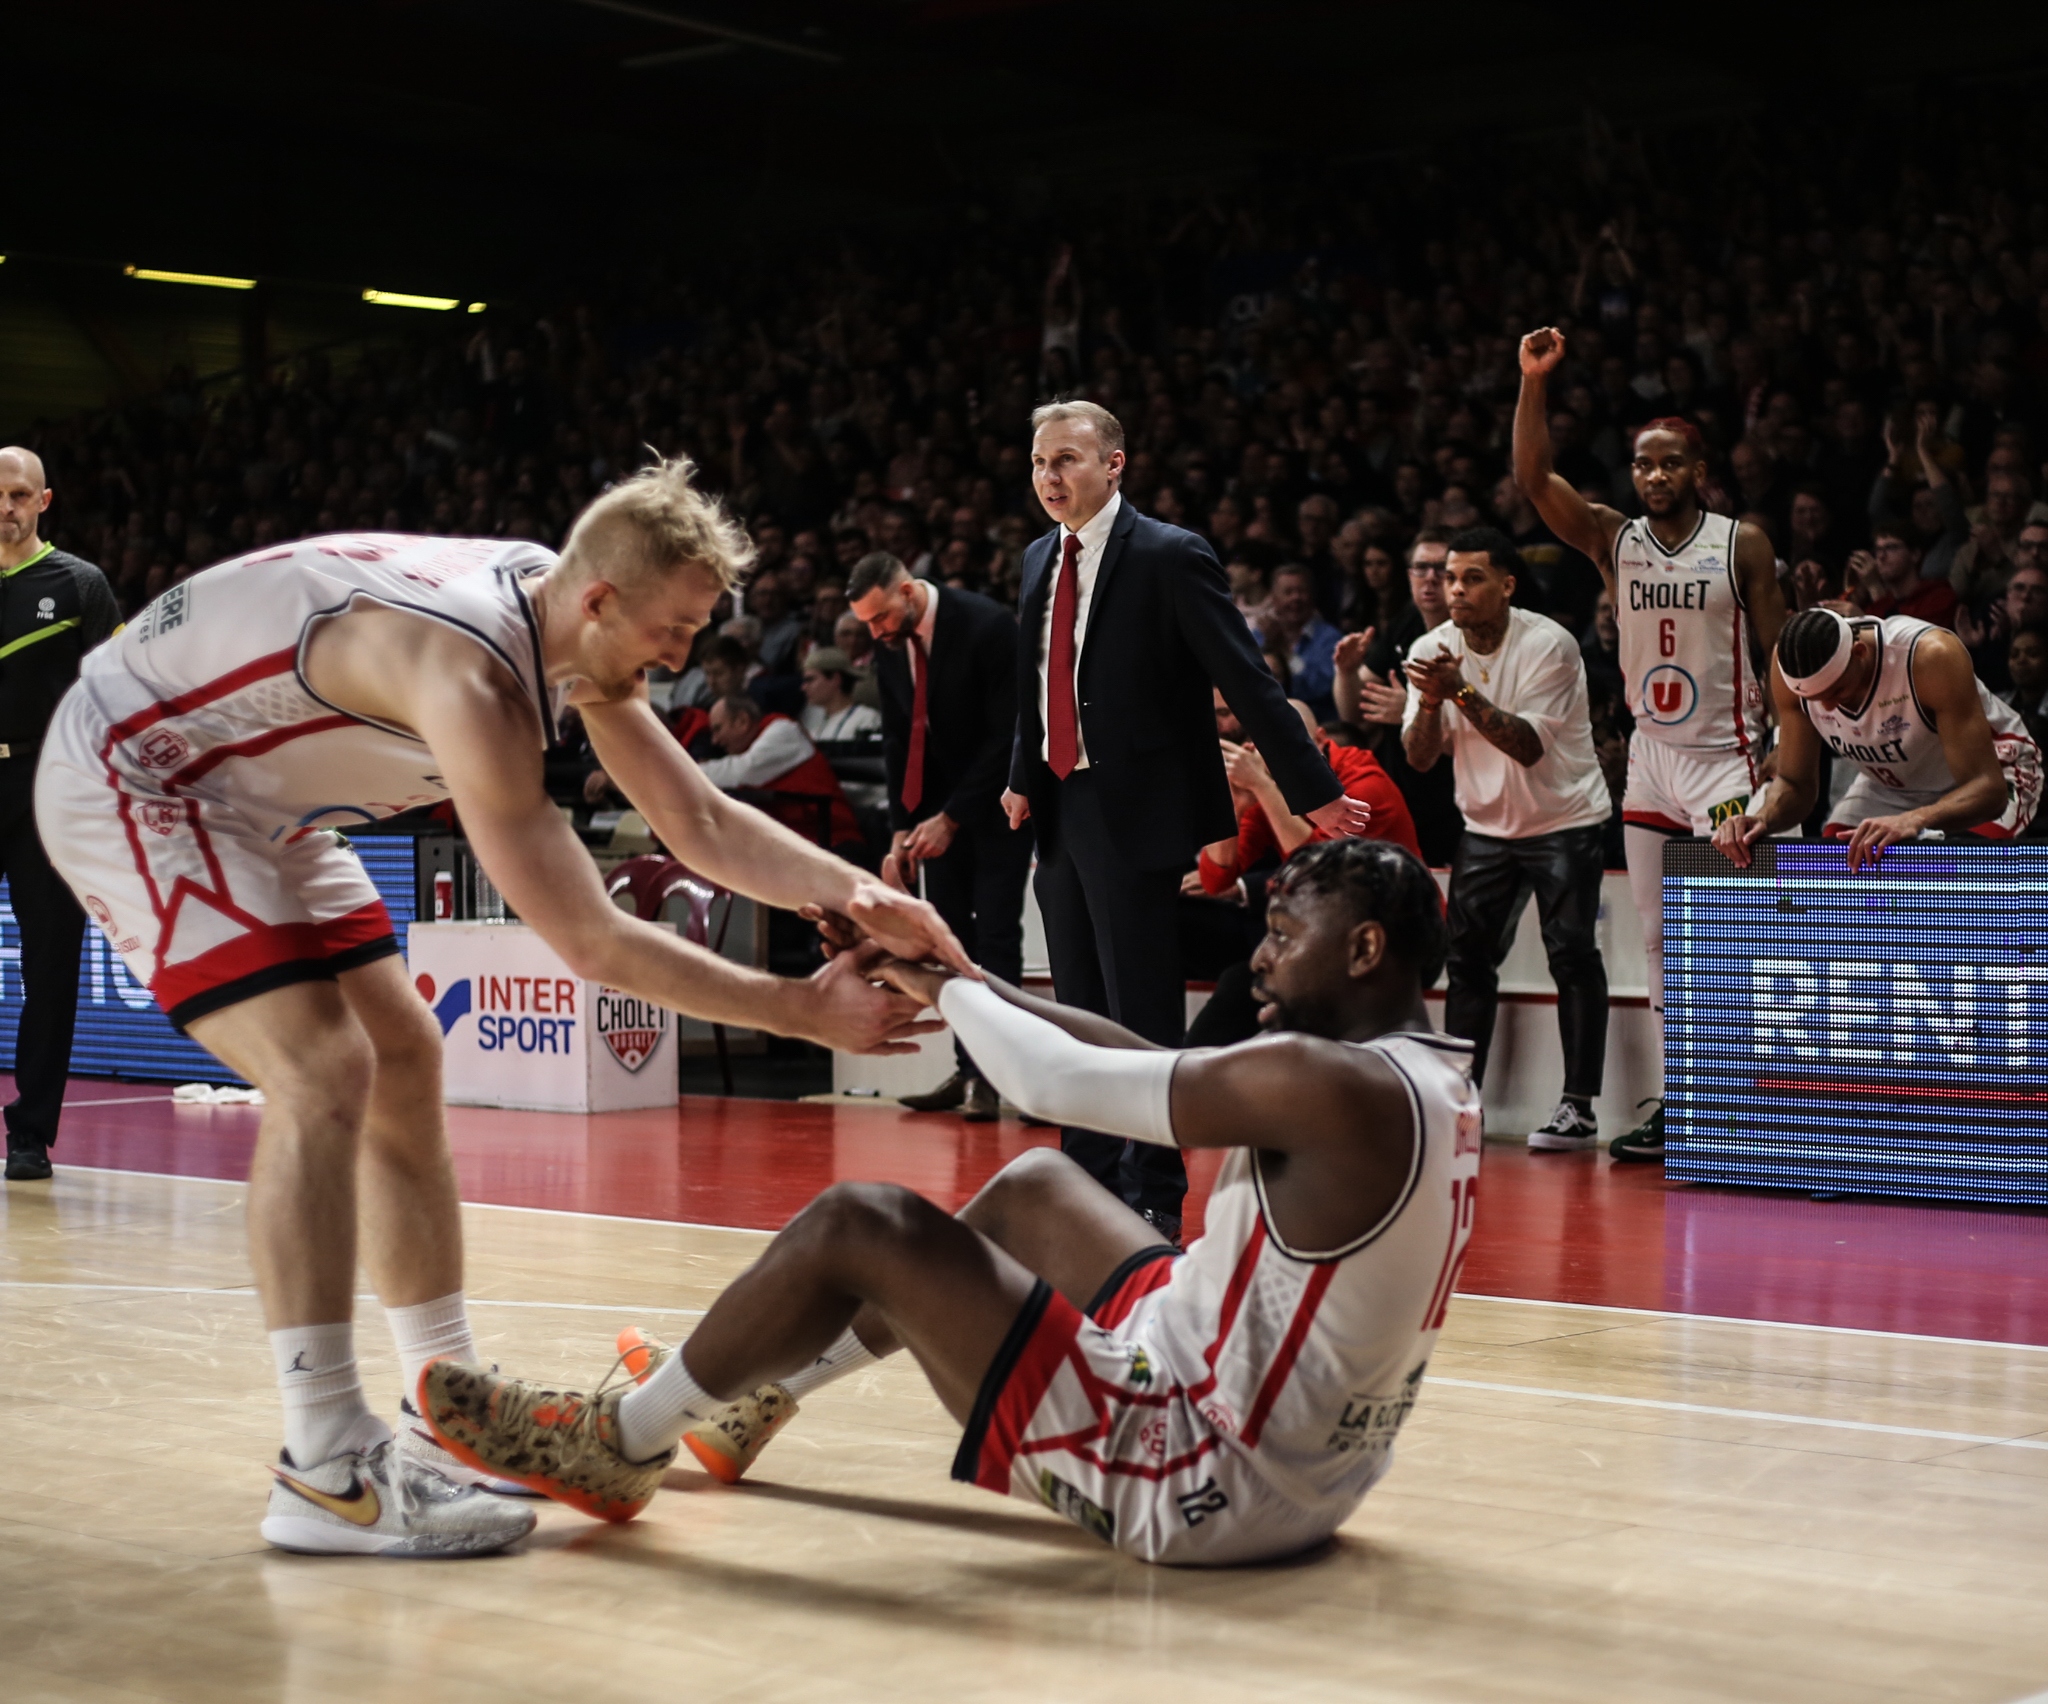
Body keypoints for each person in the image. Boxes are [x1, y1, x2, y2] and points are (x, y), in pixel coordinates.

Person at [34, 457, 970, 1558]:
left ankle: (443, 1409)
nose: (683, 655)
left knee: (406, 1057)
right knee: (324, 1071)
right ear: (599, 600)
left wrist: (858, 893)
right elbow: (589, 940)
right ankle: (324, 1466)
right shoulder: (471, 678)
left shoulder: (560, 616)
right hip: (142, 773)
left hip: (258, 798)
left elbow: (698, 821)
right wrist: (801, 1013)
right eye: (673, 628)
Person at [419, 838, 1485, 1568]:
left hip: (1203, 1476)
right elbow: (1148, 1068)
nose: (1259, 952)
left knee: (861, 1224)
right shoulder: (1417, 1075)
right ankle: (757, 1400)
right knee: (1034, 1190)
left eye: (1285, 932)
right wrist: (968, 975)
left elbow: (1051, 1086)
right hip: (1301, 1462)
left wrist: (942, 988)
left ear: (1363, 950)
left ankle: (621, 1441)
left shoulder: (1332, 1083)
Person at [999, 401, 1364, 1243]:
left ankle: (1154, 1195)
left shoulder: (1169, 554)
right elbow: (1034, 681)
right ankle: (1084, 1183)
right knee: (1074, 1014)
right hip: (1058, 805)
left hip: (1133, 813)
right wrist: (1021, 777)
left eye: (1068, 461)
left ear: (1115, 463)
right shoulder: (1034, 561)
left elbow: (1244, 676)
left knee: (1138, 1018)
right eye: (1040, 464)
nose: (1051, 478)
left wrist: (1309, 786)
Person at [1514, 328, 1786, 1163]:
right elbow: (1532, 479)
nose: (1655, 476)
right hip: (1652, 763)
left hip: (1729, 760)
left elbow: (1779, 654)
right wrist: (1532, 385)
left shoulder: (1740, 542)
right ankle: (1686, 1103)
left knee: (1739, 938)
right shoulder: (1614, 538)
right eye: (1643, 465)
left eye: (1670, 464)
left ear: (1699, 473)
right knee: (1664, 945)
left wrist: (1785, 750)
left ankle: (1755, 1102)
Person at [1401, 528, 1614, 1151]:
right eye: (1449, 578)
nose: (1455, 590)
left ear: (1507, 586)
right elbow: (1418, 758)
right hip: (1485, 826)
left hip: (1563, 818)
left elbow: (1524, 746)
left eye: (1471, 578)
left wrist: (1458, 690)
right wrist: (1432, 702)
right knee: (1466, 962)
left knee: (1572, 954)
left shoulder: (1549, 644)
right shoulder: (1431, 646)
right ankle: (1463, 1103)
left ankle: (1579, 1107)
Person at [848, 551, 1031, 1122]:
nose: (875, 632)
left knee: (996, 942)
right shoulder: (889, 644)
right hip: (932, 813)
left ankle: (1007, 1078)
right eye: (867, 624)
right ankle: (970, 1068)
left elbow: (1009, 736)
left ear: (906, 591)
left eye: (880, 618)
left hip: (999, 804)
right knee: (946, 941)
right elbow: (900, 738)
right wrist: (901, 827)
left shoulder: (986, 624)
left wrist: (951, 816)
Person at [0, 447, 120, 1182]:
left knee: (50, 971)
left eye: (18, 494)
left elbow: (114, 698)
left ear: (45, 501)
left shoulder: (79, 585)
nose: (5, 506)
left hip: (48, 793)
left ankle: (30, 1136)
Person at [1713, 607, 2041, 871]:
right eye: (1815, 699)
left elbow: (1989, 790)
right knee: (1842, 865)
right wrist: (1760, 819)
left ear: (1859, 652)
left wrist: (1915, 820)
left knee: (1960, 874)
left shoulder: (1929, 656)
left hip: (1996, 768)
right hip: (1893, 784)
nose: (1827, 706)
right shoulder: (1788, 671)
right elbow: (1796, 785)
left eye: (1836, 691)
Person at [1335, 529, 1464, 866]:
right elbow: (1353, 713)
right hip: (1405, 790)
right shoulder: (1405, 623)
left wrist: (1409, 710)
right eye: (1421, 568)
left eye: (1441, 569)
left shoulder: (1475, 632)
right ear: (1408, 576)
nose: (1430, 579)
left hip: (1458, 797)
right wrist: (1347, 672)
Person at [697, 694, 863, 852]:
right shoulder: (752, 745)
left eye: (718, 729)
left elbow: (741, 772)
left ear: (742, 721)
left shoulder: (784, 731)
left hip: (834, 842)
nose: (715, 740)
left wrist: (691, 771)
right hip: (799, 844)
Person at [1253, 563, 1342, 720]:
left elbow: (1319, 690)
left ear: (1312, 596)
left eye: (1301, 591)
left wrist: (1283, 651)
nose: (1296, 598)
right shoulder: (1259, 636)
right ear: (1274, 598)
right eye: (1288, 592)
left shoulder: (1330, 639)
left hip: (1318, 722)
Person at [795, 646, 881, 742]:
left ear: (835, 679)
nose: (804, 687)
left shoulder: (867, 719)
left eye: (810, 680)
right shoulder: (812, 719)